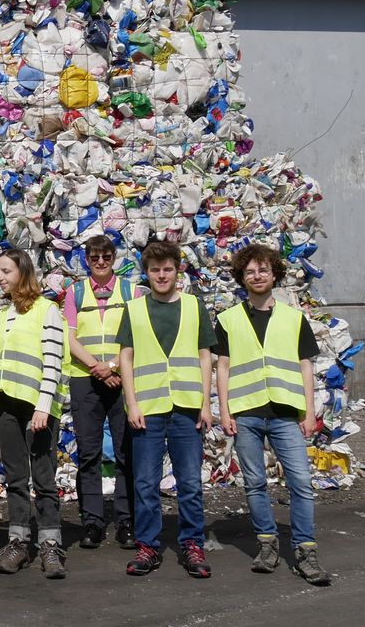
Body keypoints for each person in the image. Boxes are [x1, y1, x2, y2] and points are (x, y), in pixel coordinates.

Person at [215, 244, 331, 585]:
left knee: (301, 483)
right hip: (246, 412)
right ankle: (267, 544)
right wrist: (224, 411)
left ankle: (305, 550)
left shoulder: (294, 319)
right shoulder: (228, 319)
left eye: (263, 270)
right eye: (250, 271)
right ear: (242, 277)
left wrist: (309, 412)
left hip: (284, 413)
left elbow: (305, 366)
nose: (257, 275)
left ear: (274, 274)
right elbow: (223, 368)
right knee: (254, 483)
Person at [118, 240, 216, 579]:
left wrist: (205, 402)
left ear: (178, 270)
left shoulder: (193, 306)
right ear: (147, 273)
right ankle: (148, 545)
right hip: (148, 406)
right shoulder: (134, 309)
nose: (162, 275)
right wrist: (131, 403)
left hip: (187, 406)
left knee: (190, 481)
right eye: (155, 270)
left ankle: (192, 543)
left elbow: (206, 355)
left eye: (168, 269)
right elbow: (126, 358)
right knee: (145, 481)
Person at [0, 248, 69, 580]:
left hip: (38, 408)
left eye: (5, 271)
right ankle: (18, 541)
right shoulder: (1, 315)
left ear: (22, 272)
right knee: (16, 477)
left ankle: (51, 544)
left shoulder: (47, 310)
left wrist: (44, 406)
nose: (0, 277)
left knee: (45, 477)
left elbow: (53, 361)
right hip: (7, 403)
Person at [63, 235, 140, 549]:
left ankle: (125, 521)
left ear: (114, 258)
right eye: (94, 257)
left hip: (122, 378)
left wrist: (113, 366)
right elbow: (70, 338)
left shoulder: (130, 291)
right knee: (89, 453)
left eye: (105, 257)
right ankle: (92, 522)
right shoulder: (75, 292)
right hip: (85, 380)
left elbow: (135, 335)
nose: (100, 262)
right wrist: (97, 366)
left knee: (126, 453)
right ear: (86, 260)